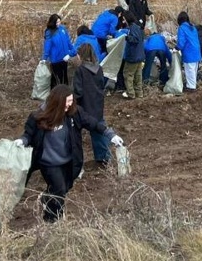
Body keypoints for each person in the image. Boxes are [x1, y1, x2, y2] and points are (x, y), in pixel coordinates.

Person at [14, 84, 123, 221]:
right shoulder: (38, 117)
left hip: (70, 161)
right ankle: (53, 221)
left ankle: (47, 199)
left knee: (63, 189)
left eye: (71, 101)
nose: (70, 105)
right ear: (57, 103)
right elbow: (29, 135)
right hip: (49, 163)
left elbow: (93, 123)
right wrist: (22, 141)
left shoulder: (74, 113)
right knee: (59, 191)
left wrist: (110, 134)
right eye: (67, 102)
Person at [72, 44, 112, 169]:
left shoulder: (80, 70)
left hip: (84, 105)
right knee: (99, 129)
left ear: (81, 55)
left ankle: (74, 161)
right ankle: (104, 158)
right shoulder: (99, 68)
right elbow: (101, 85)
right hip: (97, 103)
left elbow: (78, 91)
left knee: (74, 132)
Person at [43, 13, 74, 87]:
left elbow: (68, 41)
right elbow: (48, 45)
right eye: (57, 22)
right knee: (57, 78)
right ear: (53, 22)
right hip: (55, 59)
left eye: (59, 22)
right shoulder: (49, 32)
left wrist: (72, 51)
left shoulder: (62, 29)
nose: (58, 24)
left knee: (64, 77)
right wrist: (44, 57)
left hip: (64, 57)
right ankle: (55, 93)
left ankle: (65, 93)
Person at [121, 11, 145, 99]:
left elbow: (135, 39)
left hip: (133, 56)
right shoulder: (138, 27)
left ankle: (130, 93)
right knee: (138, 75)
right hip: (140, 55)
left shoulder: (132, 28)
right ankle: (139, 93)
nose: (123, 21)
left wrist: (126, 37)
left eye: (124, 19)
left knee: (128, 74)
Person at [176, 11, 201, 92]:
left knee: (189, 71)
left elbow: (181, 42)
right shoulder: (193, 27)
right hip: (197, 51)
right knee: (194, 71)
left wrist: (176, 48)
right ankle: (192, 85)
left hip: (189, 52)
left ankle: (191, 88)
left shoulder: (182, 28)